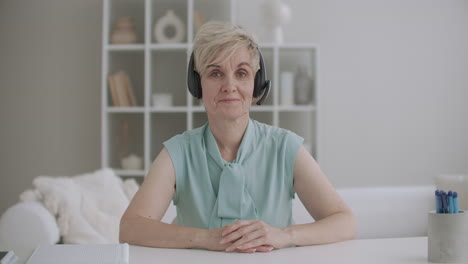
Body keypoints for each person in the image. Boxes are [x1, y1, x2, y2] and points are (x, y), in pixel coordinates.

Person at [120, 21, 356, 253]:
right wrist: (205, 238)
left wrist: (283, 235)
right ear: (197, 83)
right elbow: (130, 228)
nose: (229, 85)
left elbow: (344, 222)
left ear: (257, 82)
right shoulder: (178, 152)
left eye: (241, 73)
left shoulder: (285, 147)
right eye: (215, 73)